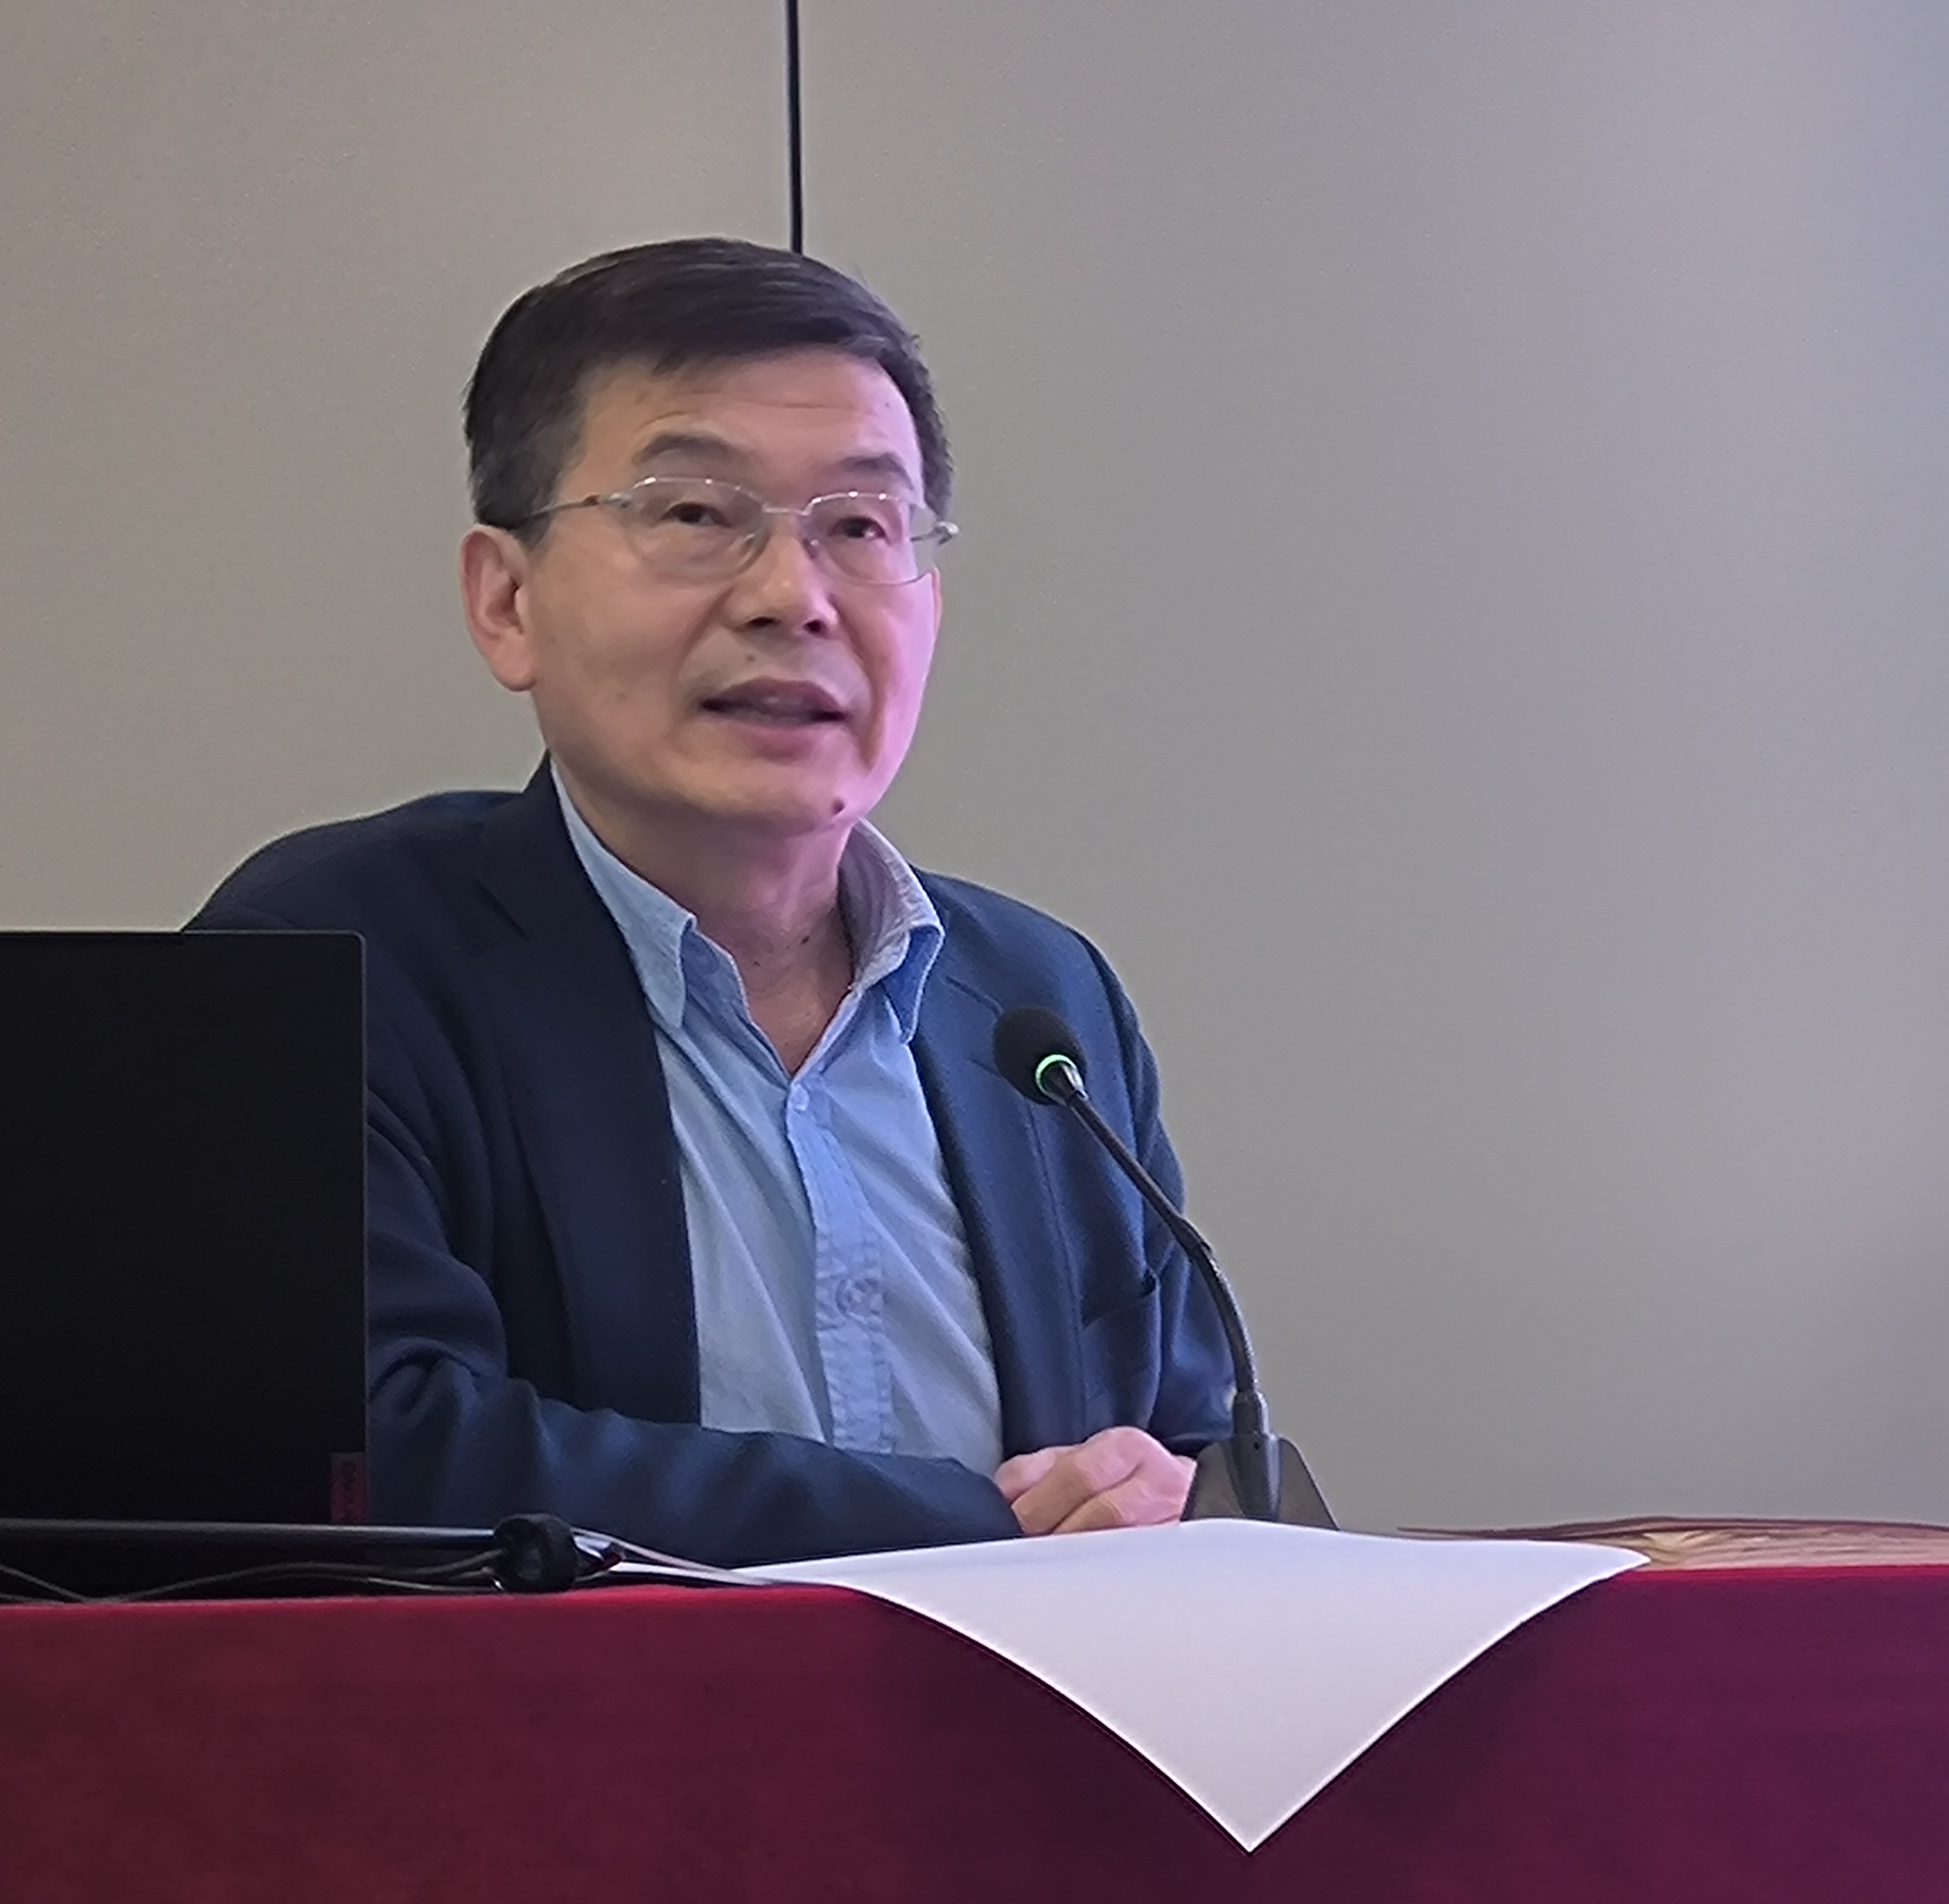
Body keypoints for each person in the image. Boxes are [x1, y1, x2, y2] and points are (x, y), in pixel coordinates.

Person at [193, 240, 1230, 1565]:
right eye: (693, 514)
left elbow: (1193, 1452)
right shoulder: (336, 957)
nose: (793, 598)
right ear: (506, 601)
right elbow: (373, 1453)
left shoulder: (1040, 999)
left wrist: (1179, 1499)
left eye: (861, 527)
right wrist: (964, 1527)